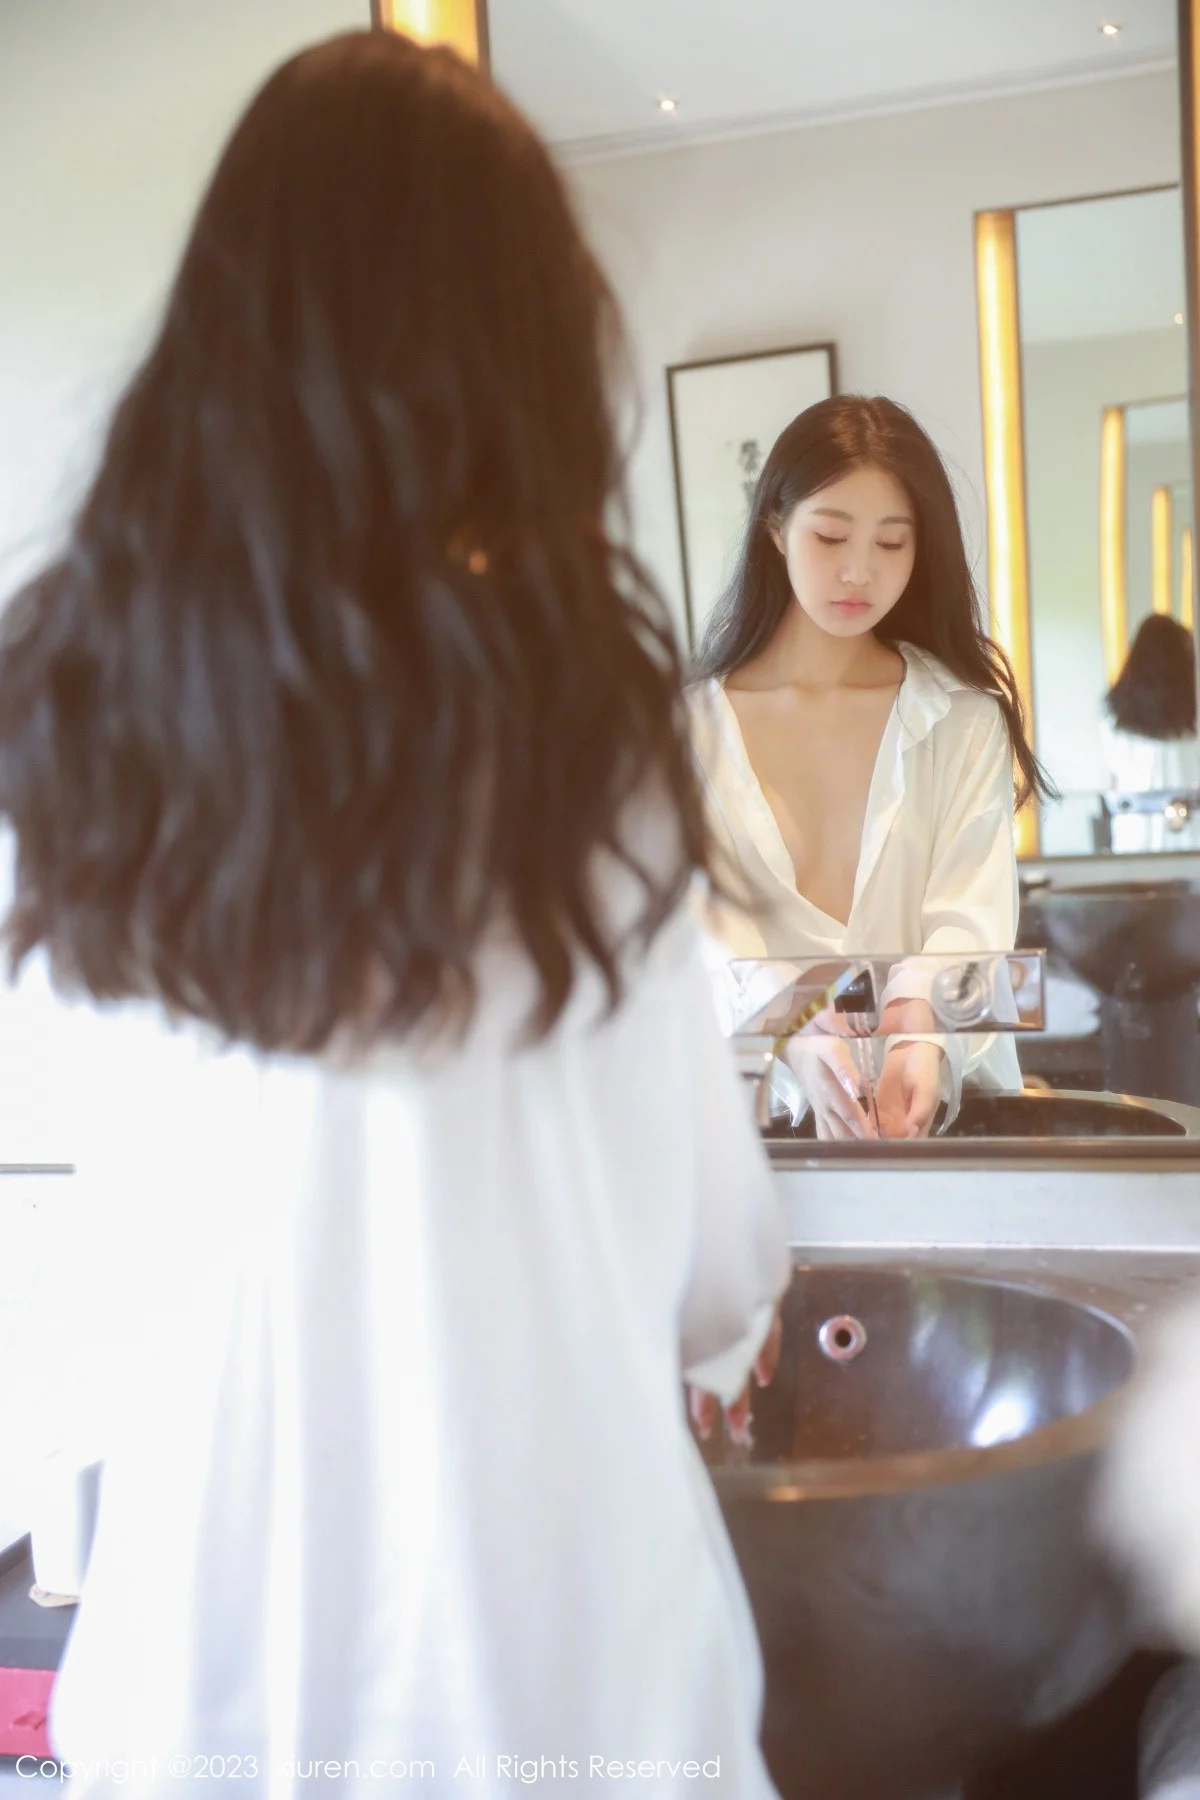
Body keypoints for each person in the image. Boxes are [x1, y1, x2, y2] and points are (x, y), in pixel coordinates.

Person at [0, 32, 787, 1795]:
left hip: (204, 1683)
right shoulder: (588, 736)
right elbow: (713, 1263)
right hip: (554, 1687)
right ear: (524, 358)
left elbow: (109, 1232)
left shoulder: (88, 726)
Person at [690, 396, 1054, 1141]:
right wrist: (792, 1026)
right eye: (830, 535)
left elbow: (972, 926)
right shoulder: (686, 734)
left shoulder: (959, 721)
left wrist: (923, 1035)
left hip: (940, 1130)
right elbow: (691, 942)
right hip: (749, 1137)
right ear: (775, 527)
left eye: (892, 543)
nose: (859, 571)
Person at [1102, 612, 1200, 853]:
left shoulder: (1113, 712)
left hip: (1134, 835)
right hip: (1191, 834)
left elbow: (1109, 780)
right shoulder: (1193, 709)